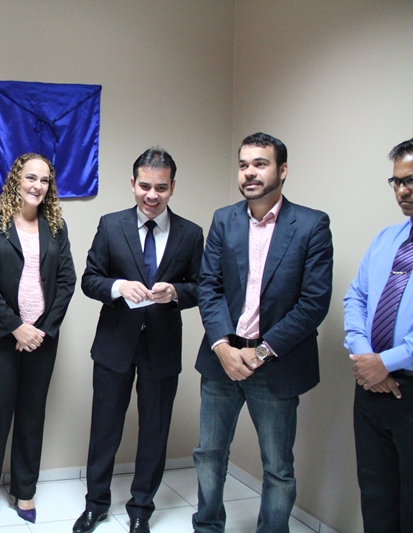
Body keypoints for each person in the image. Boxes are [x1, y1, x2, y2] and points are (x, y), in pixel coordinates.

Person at [193, 132, 333, 533]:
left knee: (277, 468)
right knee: (209, 454)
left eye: (260, 164)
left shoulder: (311, 225)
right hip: (222, 361)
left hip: (275, 364)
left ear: (282, 170)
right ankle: (207, 526)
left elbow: (313, 303)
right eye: (243, 165)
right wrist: (222, 345)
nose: (249, 172)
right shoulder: (224, 219)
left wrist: (262, 352)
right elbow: (209, 287)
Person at [72, 147, 204, 533]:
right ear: (133, 184)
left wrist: (176, 292)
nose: (152, 195)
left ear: (172, 187)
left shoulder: (190, 233)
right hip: (114, 345)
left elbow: (202, 287)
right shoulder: (110, 225)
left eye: (160, 188)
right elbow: (89, 279)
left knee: (154, 432)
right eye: (145, 186)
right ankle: (96, 504)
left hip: (162, 348)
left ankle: (141, 509)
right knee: (104, 429)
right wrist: (117, 287)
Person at [0, 152, 75, 524]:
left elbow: (67, 280)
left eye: (44, 180)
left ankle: (24, 490)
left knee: (32, 414)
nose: (37, 186)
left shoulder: (56, 226)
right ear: (16, 179)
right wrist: (16, 326)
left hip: (42, 338)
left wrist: (42, 329)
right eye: (31, 177)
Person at [344, 137, 413, 533]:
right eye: (397, 181)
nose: (402, 190)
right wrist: (365, 356)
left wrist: (385, 362)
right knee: (376, 494)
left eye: (411, 180)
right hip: (370, 388)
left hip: (408, 388)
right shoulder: (387, 238)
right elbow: (356, 298)